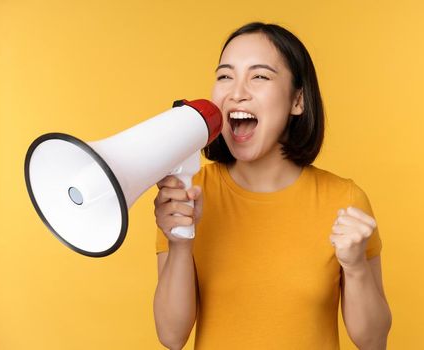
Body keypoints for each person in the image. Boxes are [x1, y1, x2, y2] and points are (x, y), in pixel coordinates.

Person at [152, 22, 391, 350]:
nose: (237, 92)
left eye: (259, 76)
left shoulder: (345, 200)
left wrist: (356, 267)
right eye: (225, 76)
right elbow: (171, 336)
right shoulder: (187, 196)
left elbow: (374, 341)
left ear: (298, 101)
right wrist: (180, 243)